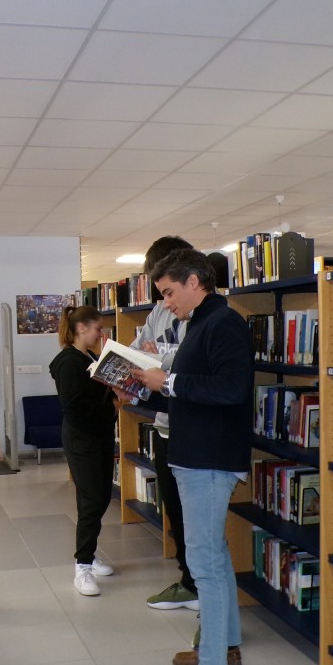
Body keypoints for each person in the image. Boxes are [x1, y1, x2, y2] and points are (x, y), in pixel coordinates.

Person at [131, 248, 253, 665]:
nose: (165, 304)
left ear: (196, 281)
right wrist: (148, 382)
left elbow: (230, 389)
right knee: (215, 558)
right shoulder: (199, 324)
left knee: (203, 563)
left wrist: (170, 382)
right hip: (195, 453)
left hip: (209, 458)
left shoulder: (223, 324)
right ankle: (225, 648)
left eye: (168, 293)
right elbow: (196, 390)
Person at [129, 236, 199, 612]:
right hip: (163, 425)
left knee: (198, 517)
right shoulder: (157, 314)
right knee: (173, 508)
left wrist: (165, 356)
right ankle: (187, 578)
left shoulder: (202, 314)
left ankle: (200, 584)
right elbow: (138, 351)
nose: (165, 301)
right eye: (159, 292)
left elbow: (190, 360)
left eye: (167, 290)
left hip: (193, 428)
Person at [49, 305, 117, 596]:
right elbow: (74, 407)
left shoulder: (89, 357)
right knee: (91, 501)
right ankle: (82, 566)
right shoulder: (68, 362)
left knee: (100, 497)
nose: (100, 334)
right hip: (82, 440)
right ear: (81, 329)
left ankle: (89, 553)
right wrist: (111, 404)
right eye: (97, 329)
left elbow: (97, 393)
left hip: (100, 436)